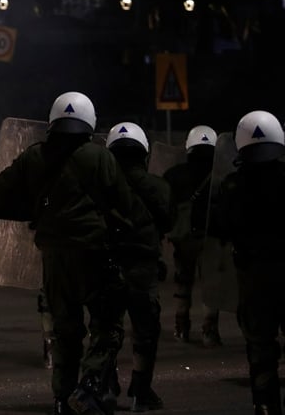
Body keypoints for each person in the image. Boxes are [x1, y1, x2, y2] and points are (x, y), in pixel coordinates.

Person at [0, 91, 139, 415]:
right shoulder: (99, 157)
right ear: (89, 122)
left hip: (54, 256)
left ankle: (61, 398)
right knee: (107, 324)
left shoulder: (34, 156)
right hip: (94, 253)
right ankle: (89, 386)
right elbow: (125, 203)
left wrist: (34, 208)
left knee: (65, 329)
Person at [210, 110, 285, 415]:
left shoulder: (232, 186)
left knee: (260, 347)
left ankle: (266, 405)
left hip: (254, 276)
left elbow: (217, 230)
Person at [105, 122, 173, 412]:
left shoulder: (100, 185)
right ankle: (140, 390)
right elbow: (168, 223)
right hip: (143, 267)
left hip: (107, 266)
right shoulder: (158, 186)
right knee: (146, 330)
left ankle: (105, 387)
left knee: (106, 328)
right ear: (143, 153)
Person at [163, 125, 221, 347]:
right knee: (211, 284)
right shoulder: (219, 176)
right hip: (211, 236)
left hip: (184, 237)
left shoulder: (174, 175)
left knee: (182, 283)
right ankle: (210, 330)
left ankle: (181, 327)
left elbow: (167, 207)